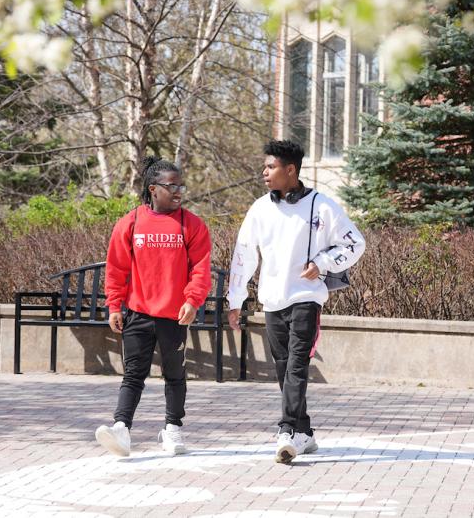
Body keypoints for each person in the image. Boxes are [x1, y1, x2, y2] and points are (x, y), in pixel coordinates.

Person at [227, 139, 365, 464]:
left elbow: (355, 243)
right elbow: (243, 256)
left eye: (271, 166)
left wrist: (323, 263)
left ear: (291, 170)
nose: (265, 172)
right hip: (272, 300)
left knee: (296, 364)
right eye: (265, 166)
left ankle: (287, 430)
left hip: (306, 298)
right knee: (282, 366)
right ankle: (303, 431)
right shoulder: (260, 208)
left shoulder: (322, 205)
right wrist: (236, 299)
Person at [95, 157, 212, 457]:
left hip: (174, 316)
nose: (178, 191)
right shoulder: (130, 222)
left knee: (175, 374)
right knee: (133, 374)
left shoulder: (192, 224)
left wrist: (192, 300)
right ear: (153, 189)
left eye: (180, 185)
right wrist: (114, 306)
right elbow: (116, 269)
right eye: (171, 186)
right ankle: (122, 429)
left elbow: (200, 268)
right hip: (138, 313)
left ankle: (173, 430)